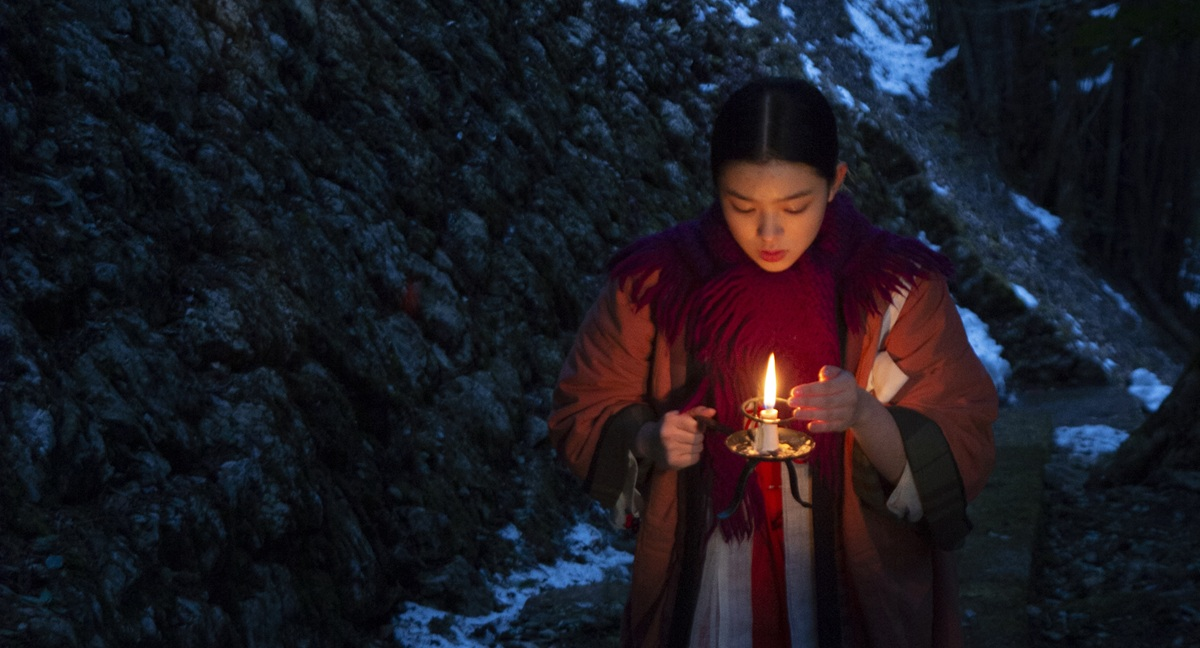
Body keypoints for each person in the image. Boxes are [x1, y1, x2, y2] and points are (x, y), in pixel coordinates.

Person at [548, 77, 997, 648]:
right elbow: (584, 403)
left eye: (794, 205)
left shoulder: (896, 290)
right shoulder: (658, 283)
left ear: (835, 183)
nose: (768, 232)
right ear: (715, 187)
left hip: (853, 566)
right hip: (709, 564)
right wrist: (648, 442)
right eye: (742, 206)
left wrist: (865, 413)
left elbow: (965, 428)